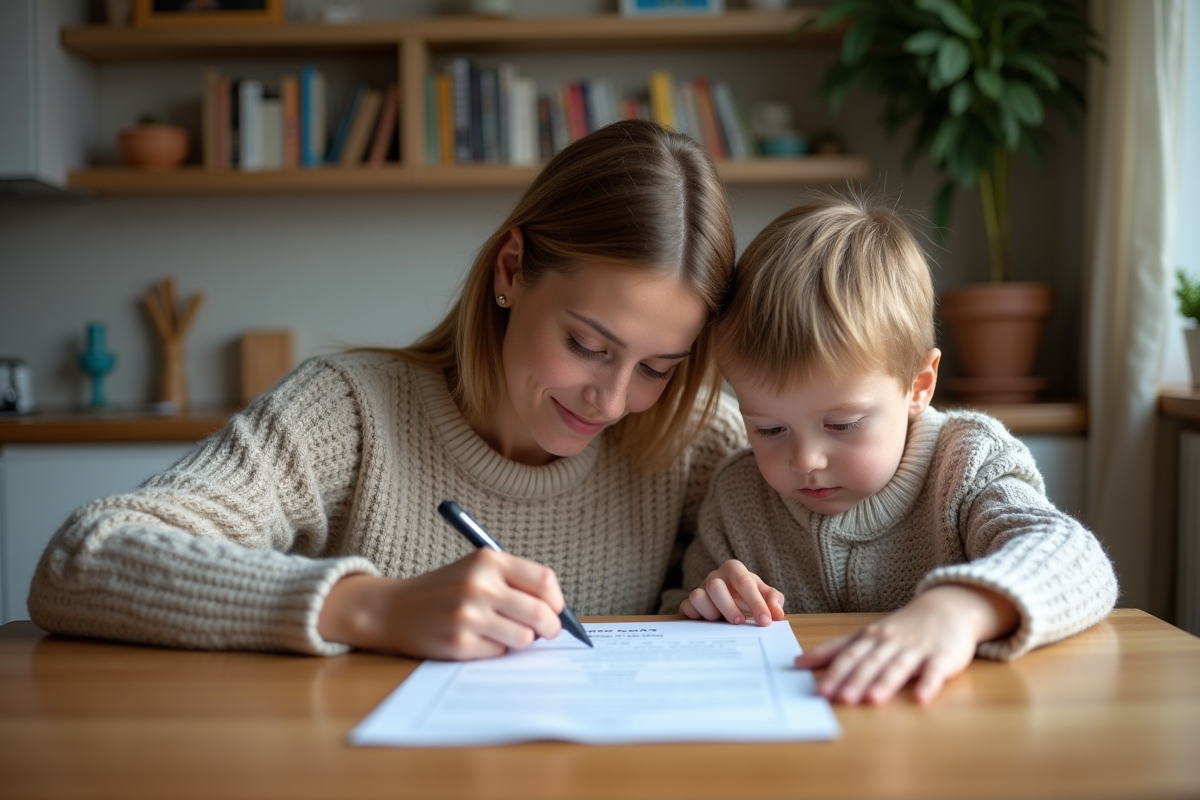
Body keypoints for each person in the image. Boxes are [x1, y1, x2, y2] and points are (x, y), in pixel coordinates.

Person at [29, 119, 747, 661]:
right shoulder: (349, 413)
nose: (614, 402)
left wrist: (725, 596)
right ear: (509, 269)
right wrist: (370, 609)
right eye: (589, 346)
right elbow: (84, 557)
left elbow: (853, 545)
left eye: (658, 367)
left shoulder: (694, 440)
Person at [660, 192, 1118, 704]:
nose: (805, 460)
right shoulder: (738, 498)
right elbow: (680, 619)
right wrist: (707, 603)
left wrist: (957, 611)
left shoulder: (966, 463)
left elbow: (1076, 561)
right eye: (769, 429)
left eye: (842, 424)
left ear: (919, 386)